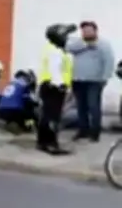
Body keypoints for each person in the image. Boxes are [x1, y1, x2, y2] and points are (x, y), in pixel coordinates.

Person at [65, 21, 115, 142]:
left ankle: (94, 133)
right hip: (78, 80)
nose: (86, 32)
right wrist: (86, 45)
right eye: (84, 30)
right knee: (81, 107)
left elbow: (109, 61)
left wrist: (105, 77)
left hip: (94, 81)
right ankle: (83, 131)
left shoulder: (103, 44)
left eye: (89, 30)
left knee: (93, 106)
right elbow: (67, 48)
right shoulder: (78, 43)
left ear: (95, 31)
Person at [36, 23, 76, 154]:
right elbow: (55, 70)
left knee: (46, 116)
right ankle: (51, 144)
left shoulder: (51, 48)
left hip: (48, 86)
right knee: (53, 117)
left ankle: (42, 142)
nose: (66, 38)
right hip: (54, 87)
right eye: (65, 35)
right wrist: (61, 86)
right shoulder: (55, 51)